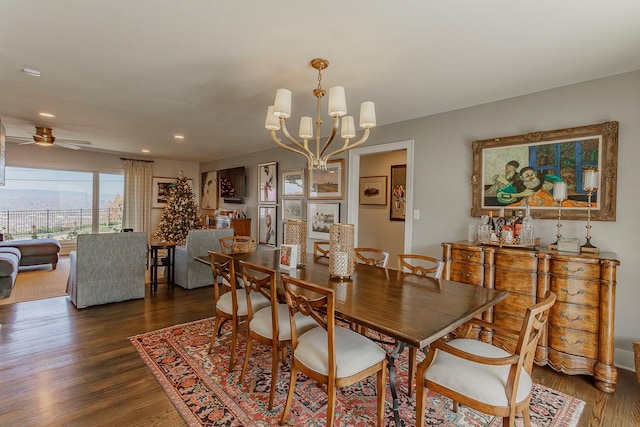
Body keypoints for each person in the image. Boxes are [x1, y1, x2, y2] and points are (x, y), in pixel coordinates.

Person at [496, 166, 561, 206]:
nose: (530, 178)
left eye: (532, 175)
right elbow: (499, 195)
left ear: (535, 173)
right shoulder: (517, 185)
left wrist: (552, 184)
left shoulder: (543, 178)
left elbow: (560, 180)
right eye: (527, 176)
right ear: (522, 178)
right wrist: (521, 194)